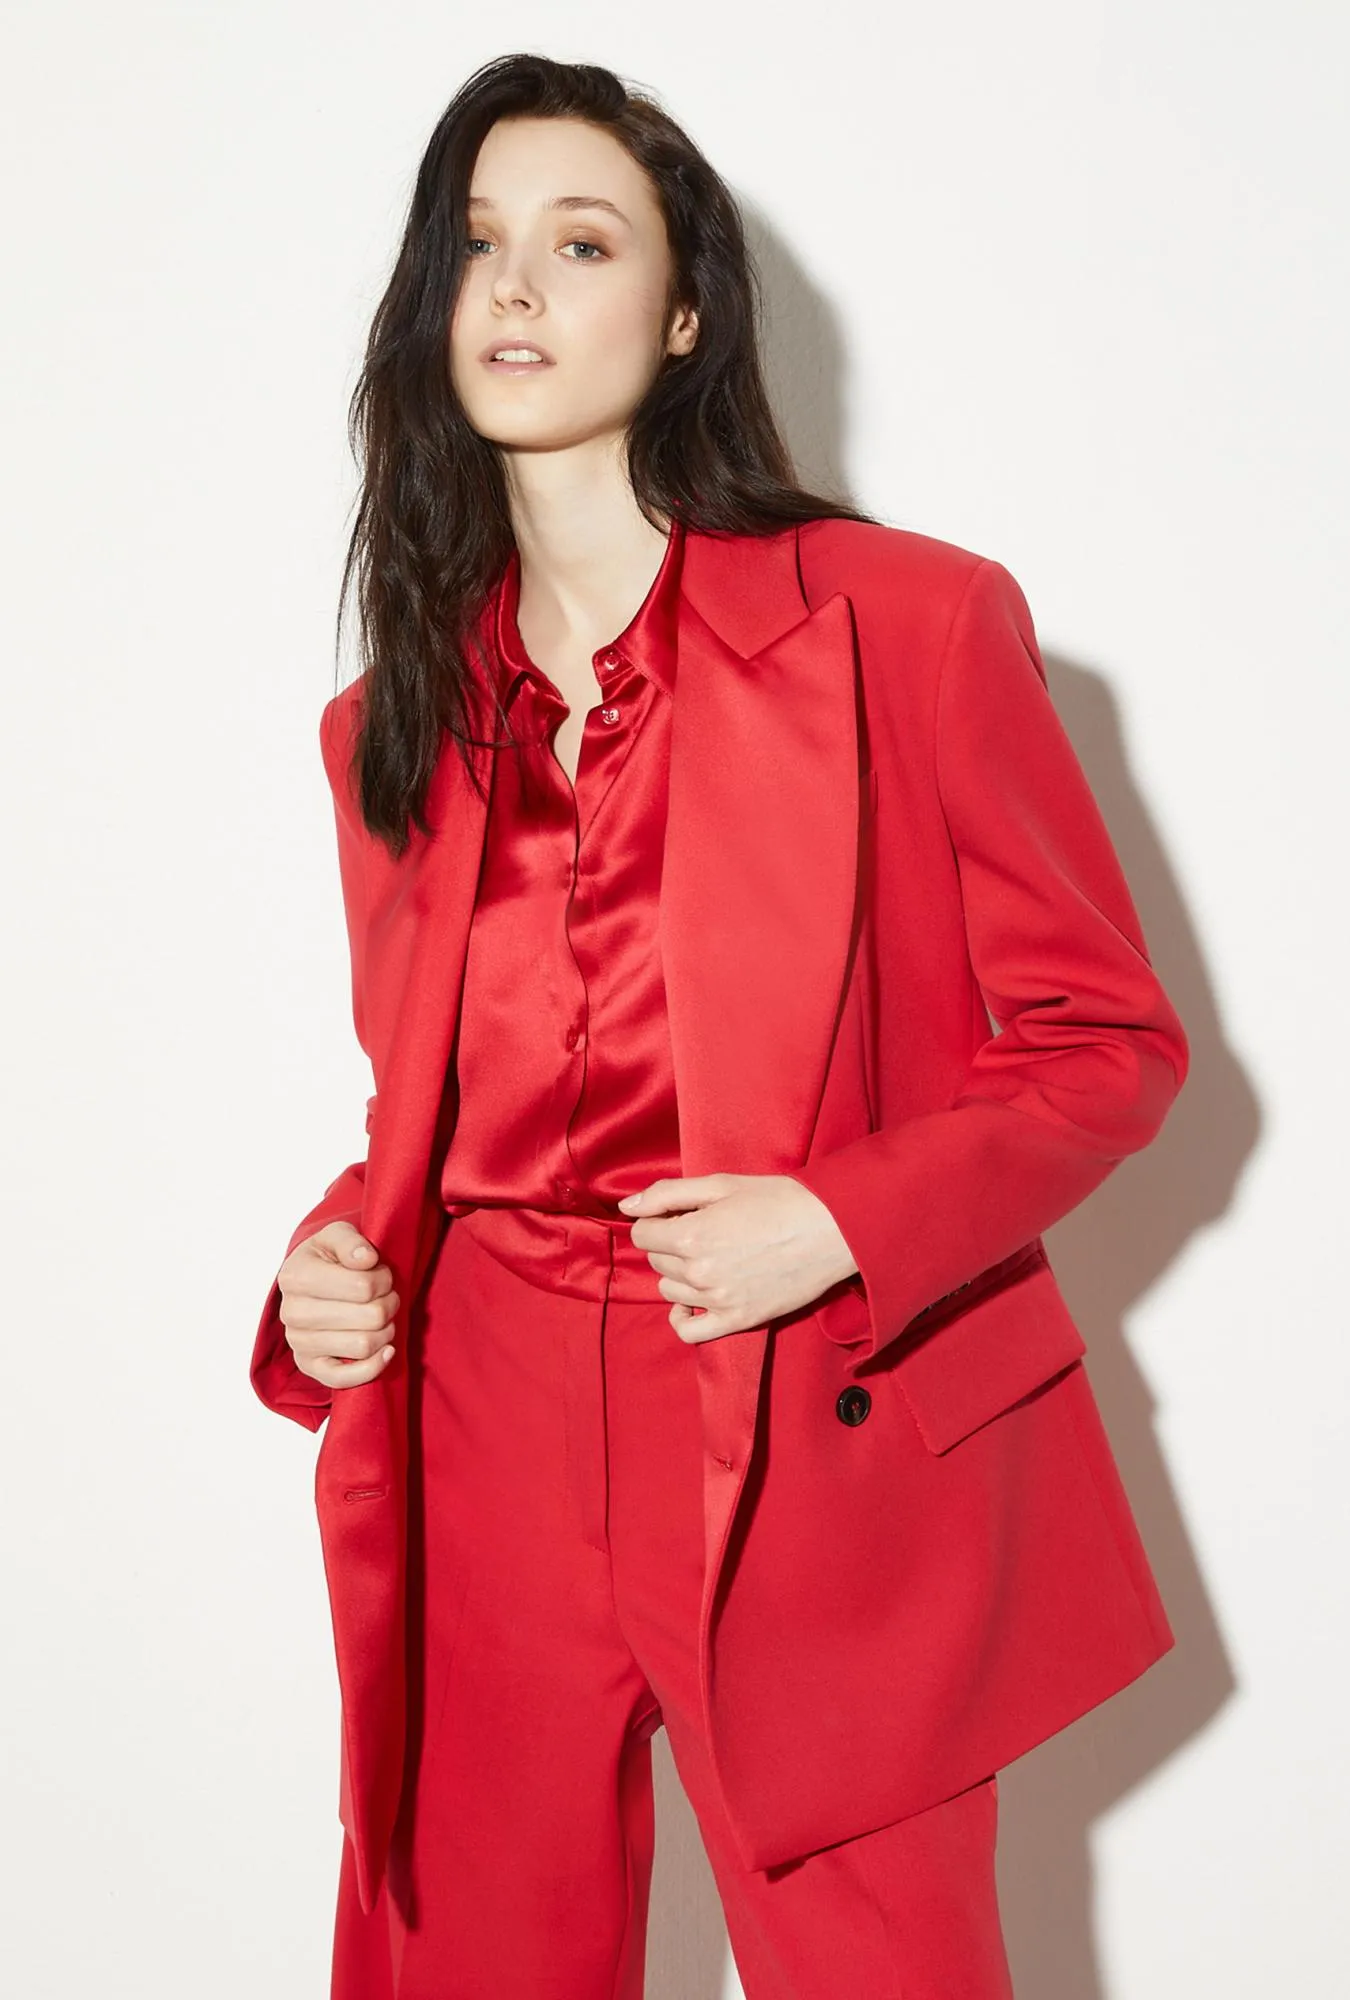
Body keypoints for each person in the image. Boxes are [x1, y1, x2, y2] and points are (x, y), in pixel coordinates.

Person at [247, 51, 1191, 2000]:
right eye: (477, 244)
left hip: (804, 1415)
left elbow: (1108, 1042)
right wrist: (332, 1264)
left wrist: (839, 1218)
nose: (515, 285)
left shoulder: (906, 626)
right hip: (480, 1413)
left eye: (581, 242)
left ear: (685, 317)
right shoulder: (389, 729)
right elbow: (434, 1109)